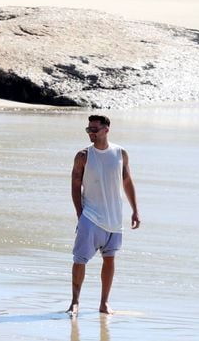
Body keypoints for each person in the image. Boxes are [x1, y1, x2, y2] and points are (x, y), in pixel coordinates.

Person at [67, 114, 140, 316]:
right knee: (80, 258)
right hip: (90, 216)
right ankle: (75, 302)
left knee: (110, 259)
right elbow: (75, 185)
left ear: (106, 129)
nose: (91, 133)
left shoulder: (120, 153)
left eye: (94, 129)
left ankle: (104, 303)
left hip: (115, 219)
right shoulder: (83, 155)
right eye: (88, 129)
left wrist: (135, 210)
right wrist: (80, 214)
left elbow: (126, 181)